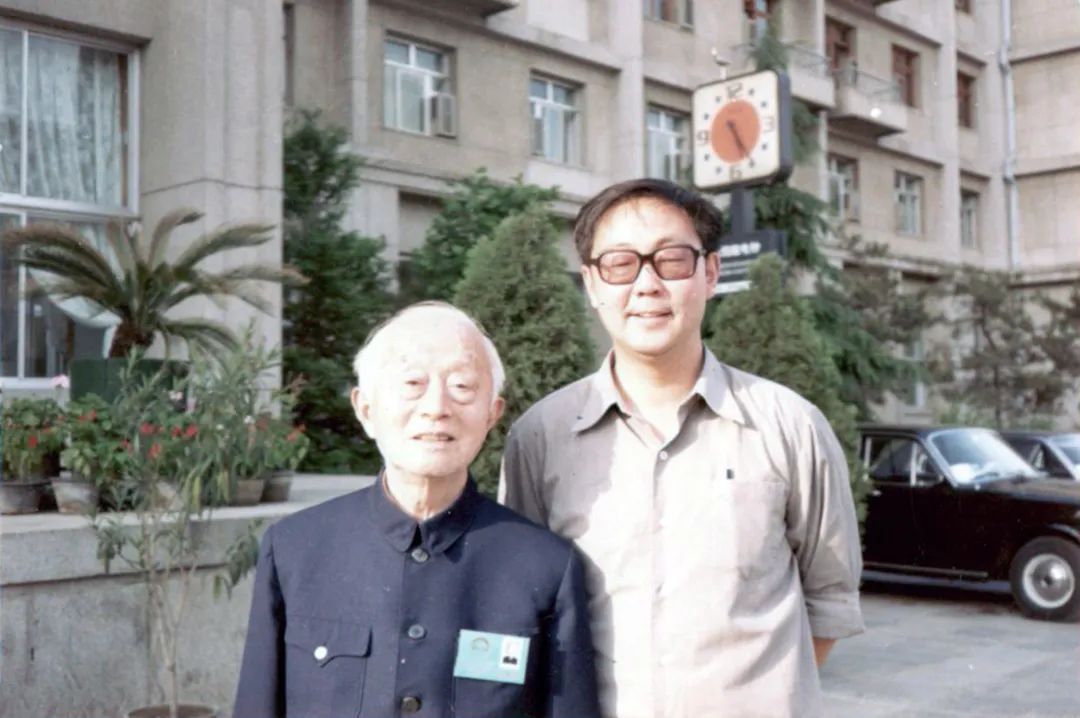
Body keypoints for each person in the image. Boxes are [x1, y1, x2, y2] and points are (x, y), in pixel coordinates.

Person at [500, 179, 864, 718]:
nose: (646, 285)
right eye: (620, 264)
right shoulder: (539, 437)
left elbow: (829, 600)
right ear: (592, 284)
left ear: (710, 273)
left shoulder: (790, 426)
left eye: (671, 260)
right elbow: (524, 604)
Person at [234, 301, 599, 718]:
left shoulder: (545, 566)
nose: (436, 407)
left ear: (492, 414)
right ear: (365, 409)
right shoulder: (295, 549)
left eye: (462, 386)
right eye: (412, 383)